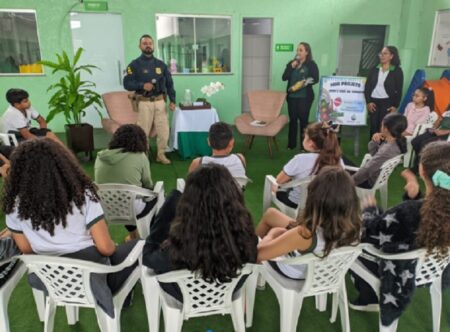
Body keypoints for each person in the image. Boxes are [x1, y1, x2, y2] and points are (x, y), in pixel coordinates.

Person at [2, 139, 137, 316]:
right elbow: (105, 248)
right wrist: (115, 248)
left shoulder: (14, 205)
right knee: (137, 246)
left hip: (50, 278)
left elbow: (26, 249)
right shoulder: (84, 195)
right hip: (90, 273)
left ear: (20, 170)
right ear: (63, 163)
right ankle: (122, 297)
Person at [351, 141, 450, 327]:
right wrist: (415, 196)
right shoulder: (426, 208)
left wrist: (370, 210)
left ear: (421, 170)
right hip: (433, 268)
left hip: (399, 269)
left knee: (351, 245)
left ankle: (367, 297)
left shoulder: (407, 211)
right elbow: (431, 214)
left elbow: (372, 231)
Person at [143, 164, 258, 301]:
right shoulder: (245, 237)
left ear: (188, 200)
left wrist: (168, 209)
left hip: (182, 293)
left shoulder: (176, 249)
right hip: (226, 291)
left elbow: (148, 257)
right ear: (233, 194)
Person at [256, 166, 361, 280]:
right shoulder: (356, 225)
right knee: (271, 214)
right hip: (326, 272)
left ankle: (250, 269)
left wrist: (273, 234)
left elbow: (259, 253)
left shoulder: (304, 234)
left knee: (269, 235)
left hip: (295, 271)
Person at [95, 124, 155, 241]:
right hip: (132, 207)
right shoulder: (140, 156)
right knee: (154, 197)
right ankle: (151, 238)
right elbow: (148, 184)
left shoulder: (100, 156)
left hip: (105, 206)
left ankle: (133, 236)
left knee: (124, 198)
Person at [123, 34, 176, 165]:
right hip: (144, 102)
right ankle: (143, 155)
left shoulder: (161, 65)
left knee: (164, 131)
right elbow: (127, 84)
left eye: (150, 43)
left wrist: (173, 100)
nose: (148, 45)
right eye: (145, 43)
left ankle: (161, 154)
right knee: (143, 132)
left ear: (153, 45)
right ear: (140, 46)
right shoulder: (134, 65)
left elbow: (169, 83)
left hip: (160, 102)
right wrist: (142, 85)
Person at [274, 121, 343, 209]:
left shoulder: (300, 159)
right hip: (325, 207)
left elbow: (279, 180)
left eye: (305, 137)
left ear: (310, 143)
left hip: (298, 205)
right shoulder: (338, 160)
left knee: (275, 186)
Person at [353, 113, 407, 189]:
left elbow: (367, 170)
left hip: (367, 180)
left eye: (382, 125)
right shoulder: (395, 142)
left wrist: (350, 181)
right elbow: (374, 155)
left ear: (386, 129)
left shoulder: (387, 149)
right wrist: (374, 141)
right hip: (375, 176)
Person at [282, 42, 319, 150]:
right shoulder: (291, 63)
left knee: (303, 120)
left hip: (305, 97)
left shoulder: (311, 64)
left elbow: (315, 79)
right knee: (293, 120)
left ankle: (304, 145)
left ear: (307, 52)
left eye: (301, 50)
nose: (298, 52)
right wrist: (291, 67)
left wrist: (304, 82)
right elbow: (284, 77)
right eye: (297, 50)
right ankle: (291, 144)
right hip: (292, 97)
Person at [364, 46, 404, 138]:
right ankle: (373, 148)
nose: (382, 56)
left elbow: (399, 89)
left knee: (384, 127)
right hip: (374, 102)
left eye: (385, 53)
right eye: (381, 53)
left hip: (387, 103)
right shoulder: (374, 69)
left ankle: (382, 149)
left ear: (391, 56)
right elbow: (367, 87)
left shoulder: (397, 71)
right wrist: (368, 102)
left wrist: (395, 106)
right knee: (373, 127)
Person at [409, 103, 450, 174]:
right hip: (438, 131)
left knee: (424, 144)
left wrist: (442, 132)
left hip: (447, 136)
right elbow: (436, 125)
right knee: (415, 141)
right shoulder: (447, 112)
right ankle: (422, 163)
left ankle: (420, 168)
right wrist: (437, 123)